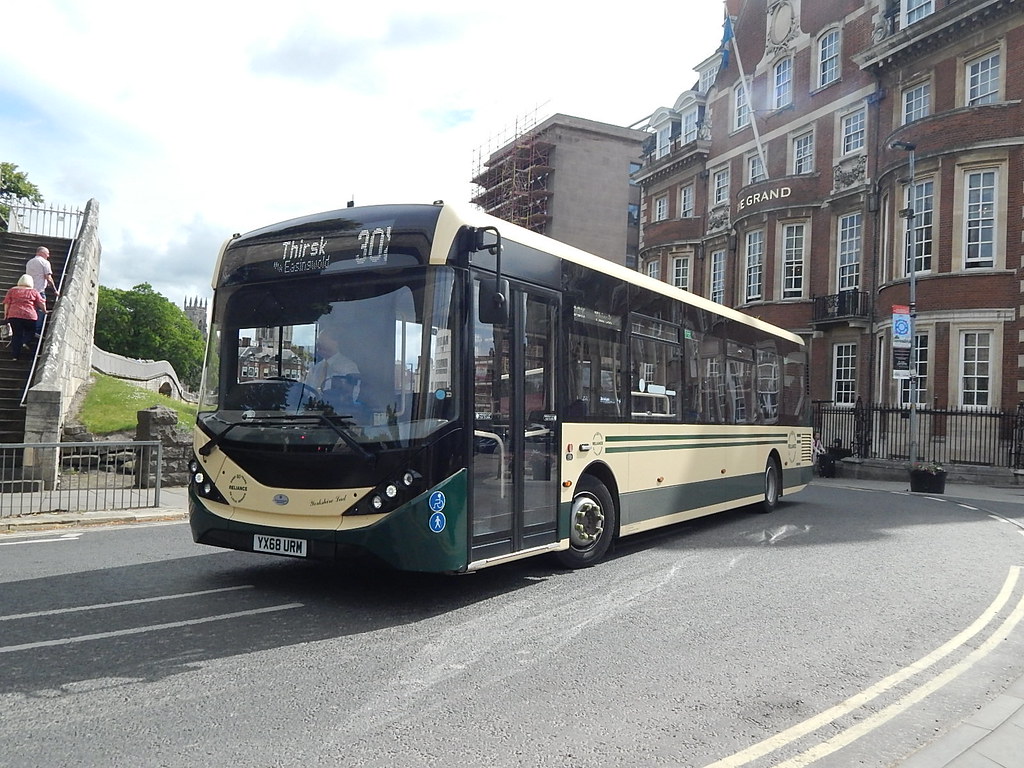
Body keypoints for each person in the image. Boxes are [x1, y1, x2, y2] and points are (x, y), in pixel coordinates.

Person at [3, 274, 46, 361]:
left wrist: (6, 314)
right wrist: (45, 311)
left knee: (16, 335)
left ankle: (15, 356)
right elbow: (41, 303)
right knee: (31, 331)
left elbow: (7, 303)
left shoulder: (12, 291)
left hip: (14, 315)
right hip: (29, 315)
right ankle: (25, 341)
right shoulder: (33, 292)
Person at [26, 246, 58, 336]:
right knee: (41, 311)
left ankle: (28, 331)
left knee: (31, 310)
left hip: (29, 291)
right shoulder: (45, 262)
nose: (48, 256)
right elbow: (48, 278)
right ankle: (36, 331)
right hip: (39, 291)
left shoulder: (29, 262)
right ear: (42, 253)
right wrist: (55, 290)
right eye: (47, 253)